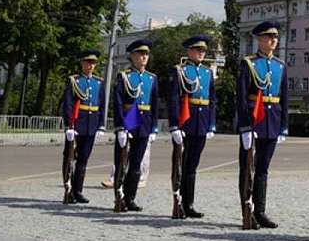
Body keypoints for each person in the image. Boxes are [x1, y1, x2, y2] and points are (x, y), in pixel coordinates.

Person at [236, 20, 288, 229]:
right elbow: (241, 97)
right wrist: (245, 126)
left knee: (263, 169)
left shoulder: (280, 65)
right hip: (253, 121)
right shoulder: (248, 63)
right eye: (268, 37)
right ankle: (247, 211)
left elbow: (284, 97)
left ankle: (260, 211)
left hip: (272, 120)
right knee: (248, 167)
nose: (273, 40)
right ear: (259, 39)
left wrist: (283, 125)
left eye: (275, 37)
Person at [167, 34, 217, 218]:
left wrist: (211, 124)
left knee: (192, 166)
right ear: (189, 51)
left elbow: (212, 100)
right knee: (180, 164)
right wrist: (174, 125)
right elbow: (173, 99)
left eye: (204, 50)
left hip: (201, 122)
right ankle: (178, 202)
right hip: (185, 122)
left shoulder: (207, 72)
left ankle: (189, 204)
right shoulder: (179, 70)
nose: (202, 53)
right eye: (198, 50)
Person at [112, 39, 159, 212]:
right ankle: (119, 197)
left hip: (144, 120)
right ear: (132, 56)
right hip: (129, 118)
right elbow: (117, 103)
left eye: (146, 54)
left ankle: (130, 198)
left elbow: (154, 103)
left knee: (136, 164)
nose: (144, 57)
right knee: (121, 161)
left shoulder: (151, 78)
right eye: (140, 54)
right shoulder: (124, 76)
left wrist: (153, 127)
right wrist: (120, 127)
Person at [61, 49, 106, 204]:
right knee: (70, 158)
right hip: (77, 123)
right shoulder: (74, 81)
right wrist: (69, 125)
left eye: (93, 63)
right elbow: (68, 103)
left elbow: (101, 105)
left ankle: (78, 191)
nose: (90, 66)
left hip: (91, 124)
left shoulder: (98, 82)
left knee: (83, 160)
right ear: (82, 63)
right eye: (88, 62)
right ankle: (68, 190)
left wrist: (101, 125)